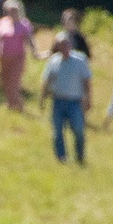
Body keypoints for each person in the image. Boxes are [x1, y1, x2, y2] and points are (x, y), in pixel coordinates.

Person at [40, 34, 92, 164]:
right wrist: (42, 98)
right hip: (58, 100)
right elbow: (47, 80)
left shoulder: (80, 60)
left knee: (78, 130)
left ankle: (80, 156)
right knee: (57, 131)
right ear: (57, 46)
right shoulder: (53, 61)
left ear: (71, 45)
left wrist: (88, 99)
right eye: (61, 45)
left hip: (75, 101)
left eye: (66, 44)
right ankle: (61, 157)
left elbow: (87, 81)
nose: (64, 47)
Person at [0, 0, 35, 111]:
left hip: (17, 58)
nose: (12, 13)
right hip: (4, 57)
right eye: (10, 11)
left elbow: (29, 40)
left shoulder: (24, 24)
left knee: (13, 83)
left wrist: (34, 52)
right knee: (4, 82)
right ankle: (10, 104)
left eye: (15, 11)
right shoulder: (2, 22)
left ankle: (20, 106)